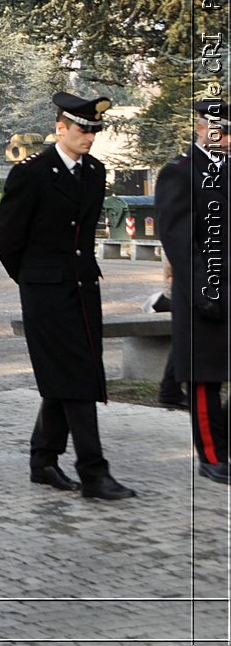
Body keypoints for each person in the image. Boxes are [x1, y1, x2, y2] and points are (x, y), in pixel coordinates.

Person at [0, 91, 135, 500]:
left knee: (69, 374)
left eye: (94, 130)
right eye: (81, 129)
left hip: (82, 285)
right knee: (77, 377)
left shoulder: (94, 171)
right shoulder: (32, 172)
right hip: (46, 291)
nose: (89, 136)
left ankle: (43, 460)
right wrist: (32, 280)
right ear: (61, 128)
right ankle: (93, 472)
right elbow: (9, 237)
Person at [155, 98, 230, 484]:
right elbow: (179, 240)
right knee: (204, 380)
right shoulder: (180, 174)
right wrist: (206, 289)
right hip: (203, 293)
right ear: (201, 128)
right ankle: (212, 457)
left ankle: (225, 444)